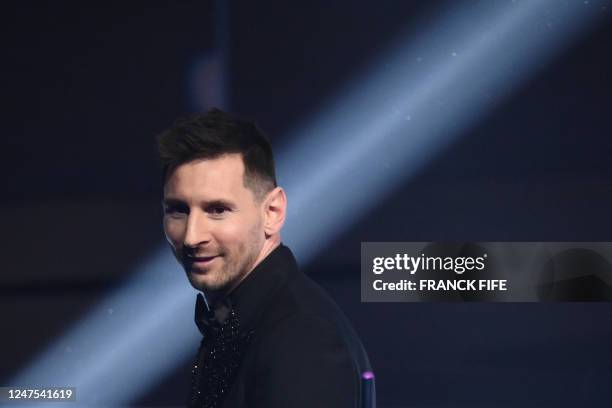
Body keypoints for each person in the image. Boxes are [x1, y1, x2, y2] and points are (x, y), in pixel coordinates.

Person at [157, 108, 373, 408]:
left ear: (272, 212)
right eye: (178, 210)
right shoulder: (250, 322)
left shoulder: (302, 335)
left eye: (217, 210)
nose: (192, 237)